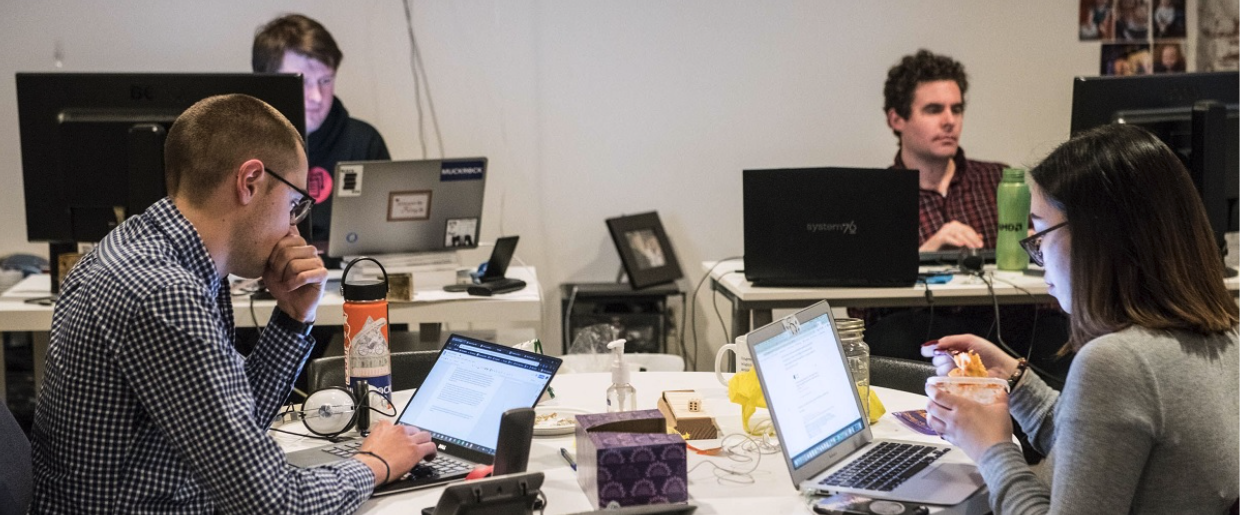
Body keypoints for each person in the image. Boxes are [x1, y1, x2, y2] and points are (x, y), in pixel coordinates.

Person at [29, 94, 436, 513]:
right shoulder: (164, 292)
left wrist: (293, 319)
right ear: (250, 182)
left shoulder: (153, 250)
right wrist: (375, 464)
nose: (292, 227)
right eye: (294, 205)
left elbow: (230, 429)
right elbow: (273, 505)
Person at [922, 123, 1239, 513]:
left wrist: (991, 447)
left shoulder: (1118, 361)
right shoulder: (1225, 332)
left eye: (1039, 234)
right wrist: (1015, 381)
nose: (1036, 257)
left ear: (1095, 237)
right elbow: (1099, 455)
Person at [862, 51, 1072, 393]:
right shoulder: (878, 197)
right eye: (934, 110)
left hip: (1003, 323)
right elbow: (862, 308)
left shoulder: (999, 180)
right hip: (920, 332)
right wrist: (921, 255)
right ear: (896, 119)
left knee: (1056, 335)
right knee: (889, 338)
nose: (949, 121)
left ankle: (1051, 437)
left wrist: (1042, 245)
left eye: (956, 109)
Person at [253, 13, 391, 251]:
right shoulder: (241, 144)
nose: (317, 97)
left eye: (325, 81)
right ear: (267, 83)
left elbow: (384, 237)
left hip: (349, 275)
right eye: (303, 82)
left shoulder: (363, 141)